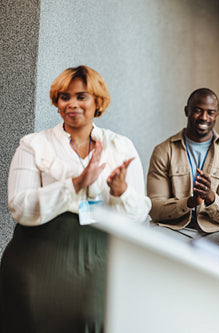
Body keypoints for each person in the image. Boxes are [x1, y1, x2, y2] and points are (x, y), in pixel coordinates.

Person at [0, 65, 151, 332]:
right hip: (38, 257)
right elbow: (19, 206)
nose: (72, 104)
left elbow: (139, 216)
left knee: (91, 318)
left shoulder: (121, 147)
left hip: (99, 258)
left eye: (82, 96)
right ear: (57, 103)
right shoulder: (34, 145)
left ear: (97, 102)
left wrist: (120, 192)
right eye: (64, 96)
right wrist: (75, 184)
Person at [147, 88, 219, 253]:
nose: (204, 117)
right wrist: (189, 202)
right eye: (198, 111)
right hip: (173, 229)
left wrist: (210, 197)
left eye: (210, 112)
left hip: (216, 232)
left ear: (217, 115)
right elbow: (154, 207)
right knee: (147, 238)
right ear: (187, 111)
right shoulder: (164, 151)